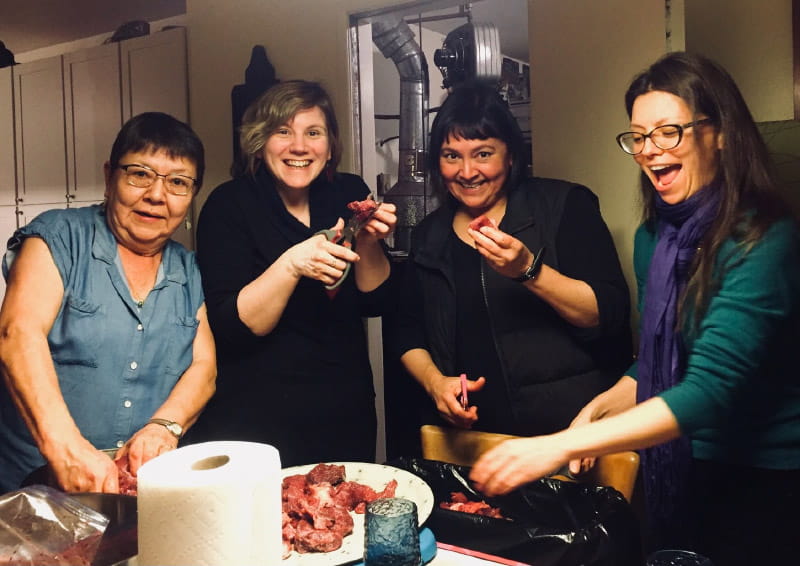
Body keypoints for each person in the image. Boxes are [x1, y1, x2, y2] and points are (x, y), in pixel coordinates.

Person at [470, 52, 800, 565]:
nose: (650, 151)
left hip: (768, 482)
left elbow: (710, 391)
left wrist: (554, 446)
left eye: (669, 132)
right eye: (638, 137)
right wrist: (594, 417)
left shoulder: (764, 240)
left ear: (720, 134)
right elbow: (653, 361)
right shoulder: (655, 239)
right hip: (682, 470)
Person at [393, 81, 632, 438]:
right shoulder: (430, 234)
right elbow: (407, 329)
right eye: (451, 156)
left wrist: (528, 270)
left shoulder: (565, 206)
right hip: (472, 442)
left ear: (511, 155)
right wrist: (434, 384)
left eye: (483, 154)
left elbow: (607, 314)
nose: (467, 171)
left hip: (568, 435)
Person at [0, 112, 216, 494]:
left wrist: (163, 426)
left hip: (130, 493)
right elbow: (18, 333)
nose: (156, 195)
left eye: (178, 183)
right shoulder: (58, 237)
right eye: (140, 174)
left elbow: (203, 367)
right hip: (30, 489)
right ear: (109, 176)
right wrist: (66, 451)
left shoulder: (187, 269)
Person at [184, 80, 396, 466]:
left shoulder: (347, 191)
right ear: (260, 140)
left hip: (343, 405)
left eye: (313, 133)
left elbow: (376, 299)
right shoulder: (228, 205)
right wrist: (292, 264)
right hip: (255, 414)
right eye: (283, 132)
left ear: (329, 145)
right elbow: (235, 327)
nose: (299, 147)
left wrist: (368, 241)